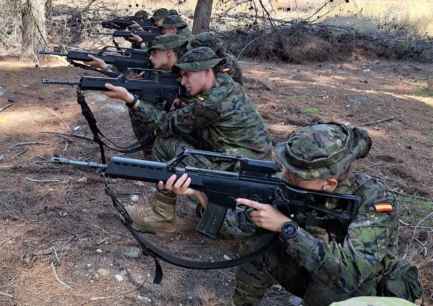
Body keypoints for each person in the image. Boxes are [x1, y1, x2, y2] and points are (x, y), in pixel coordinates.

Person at [158, 122, 423, 306]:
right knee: (258, 243)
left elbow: (349, 273)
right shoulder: (287, 185)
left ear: (328, 183)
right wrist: (202, 196)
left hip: (363, 289)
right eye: (286, 168)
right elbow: (239, 227)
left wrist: (286, 227)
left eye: (296, 175)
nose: (285, 175)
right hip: (313, 269)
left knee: (329, 287)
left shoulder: (374, 201)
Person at [102, 46, 272, 233]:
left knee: (165, 143)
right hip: (249, 164)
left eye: (187, 75)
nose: (182, 82)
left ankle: (162, 216)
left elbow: (165, 124)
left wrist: (131, 100)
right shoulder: (224, 83)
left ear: (207, 71)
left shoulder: (211, 103)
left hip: (238, 171)